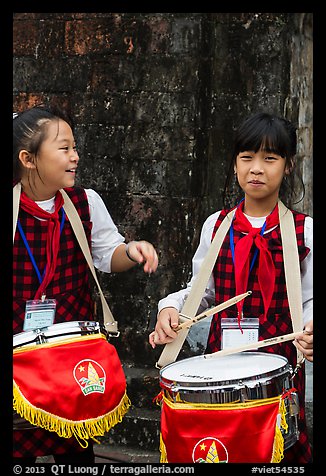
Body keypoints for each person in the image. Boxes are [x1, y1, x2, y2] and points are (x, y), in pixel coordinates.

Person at [149, 112, 313, 463]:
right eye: (247, 158)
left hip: (278, 368)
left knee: (277, 453)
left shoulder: (305, 231)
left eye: (269, 158)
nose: (256, 168)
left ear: (288, 166)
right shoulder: (217, 226)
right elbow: (200, 292)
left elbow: (310, 299)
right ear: (235, 164)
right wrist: (169, 308)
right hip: (218, 369)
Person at [13, 104, 158, 464]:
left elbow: (109, 255)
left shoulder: (84, 203)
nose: (75, 157)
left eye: (74, 148)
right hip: (20, 357)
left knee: (74, 448)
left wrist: (132, 250)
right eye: (64, 149)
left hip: (71, 351)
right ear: (28, 159)